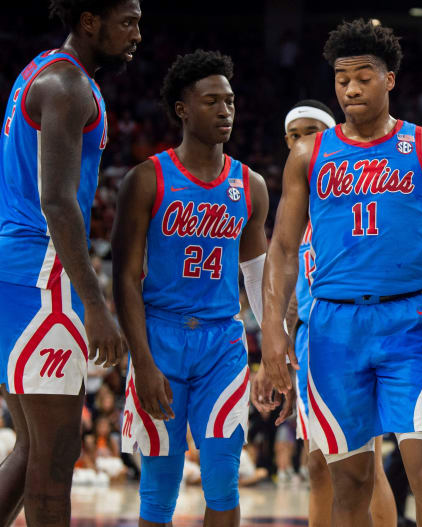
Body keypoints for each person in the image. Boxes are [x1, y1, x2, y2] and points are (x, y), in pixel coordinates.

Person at [260, 19, 422, 527]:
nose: (351, 88)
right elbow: (280, 250)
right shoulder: (308, 154)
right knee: (350, 483)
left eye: (364, 76)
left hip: (407, 323)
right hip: (333, 329)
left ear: (390, 79)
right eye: (342, 78)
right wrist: (272, 335)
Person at [111, 49, 281, 527]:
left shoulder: (250, 184)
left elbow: (255, 272)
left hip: (222, 342)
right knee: (159, 487)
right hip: (160, 338)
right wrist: (141, 361)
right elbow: (123, 276)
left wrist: (271, 343)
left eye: (229, 100)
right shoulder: (146, 179)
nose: (225, 110)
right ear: (183, 109)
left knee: (223, 479)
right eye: (212, 101)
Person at [0, 1, 141, 525]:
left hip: (18, 271)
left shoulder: (40, 70)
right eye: (127, 22)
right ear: (90, 21)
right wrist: (95, 306)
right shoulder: (67, 86)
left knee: (32, 451)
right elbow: (56, 201)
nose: (137, 35)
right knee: (56, 464)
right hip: (42, 275)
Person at [254, 99, 397, 525]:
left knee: (365, 462)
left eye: (313, 133)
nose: (304, 143)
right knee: (318, 464)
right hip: (310, 343)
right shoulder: (293, 211)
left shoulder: (352, 193)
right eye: (296, 135)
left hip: (355, 337)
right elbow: (290, 290)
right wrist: (278, 345)